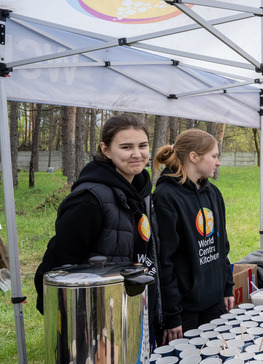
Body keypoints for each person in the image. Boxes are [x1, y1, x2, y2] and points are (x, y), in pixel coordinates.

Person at [34, 114, 160, 327]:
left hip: (132, 311)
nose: (137, 154)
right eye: (126, 147)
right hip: (95, 319)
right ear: (106, 149)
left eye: (143, 145)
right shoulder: (89, 200)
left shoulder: (143, 193)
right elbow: (59, 266)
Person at [153, 129, 234, 342]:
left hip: (215, 302)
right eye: (214, 156)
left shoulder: (213, 193)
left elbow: (221, 247)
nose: (218, 163)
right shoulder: (166, 196)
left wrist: (227, 287)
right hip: (184, 310)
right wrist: (172, 314)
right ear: (194, 156)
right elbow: (165, 261)